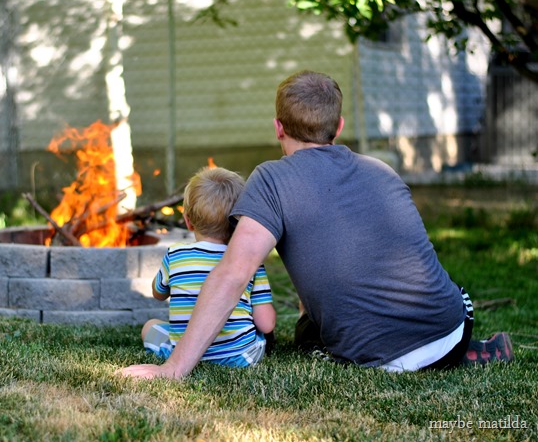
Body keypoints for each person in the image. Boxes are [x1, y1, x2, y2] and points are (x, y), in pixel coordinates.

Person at [120, 70, 513, 379]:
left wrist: (172, 368)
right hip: (450, 331)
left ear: (278, 127)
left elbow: (233, 273)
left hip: (377, 358)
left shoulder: (271, 179)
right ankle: (462, 351)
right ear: (338, 126)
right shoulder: (380, 169)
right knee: (448, 296)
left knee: (308, 332)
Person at [140, 166, 276, 368]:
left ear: (188, 221)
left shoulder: (174, 254)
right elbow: (266, 323)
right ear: (239, 221)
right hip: (240, 357)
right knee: (259, 334)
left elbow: (158, 294)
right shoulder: (249, 260)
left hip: (183, 353)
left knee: (149, 326)